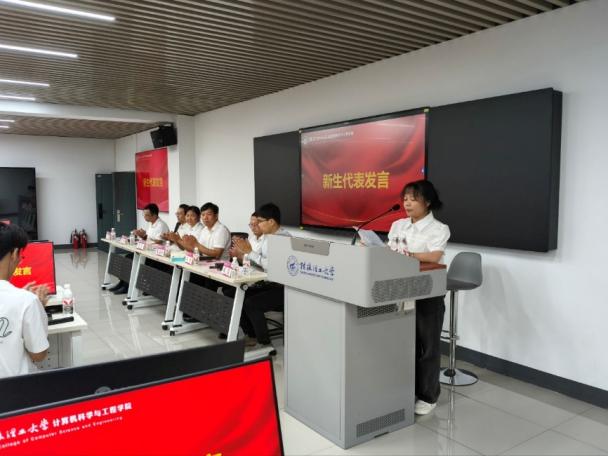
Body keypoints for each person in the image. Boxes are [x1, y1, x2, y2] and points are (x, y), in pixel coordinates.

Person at [387, 180, 450, 416]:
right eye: (405, 199)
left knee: (428, 346)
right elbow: (389, 251)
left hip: (428, 290)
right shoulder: (398, 225)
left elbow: (433, 256)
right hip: (401, 289)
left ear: (428, 202)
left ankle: (428, 395)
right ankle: (409, 388)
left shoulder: (439, 229)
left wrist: (406, 254)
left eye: (413, 199)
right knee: (407, 343)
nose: (407, 203)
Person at [232, 203, 291, 347]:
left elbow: (271, 266)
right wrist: (244, 253)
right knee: (235, 294)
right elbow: (258, 261)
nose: (257, 225)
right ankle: (251, 334)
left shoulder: (283, 238)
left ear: (271, 222)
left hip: (283, 288)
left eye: (259, 221)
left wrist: (249, 252)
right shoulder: (266, 237)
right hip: (267, 282)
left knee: (251, 304)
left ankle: (264, 343)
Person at [0, 224, 50, 378]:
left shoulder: (24, 299)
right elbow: (39, 354)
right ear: (14, 253)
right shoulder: (27, 301)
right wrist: (37, 307)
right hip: (17, 388)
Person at [111, 203, 170, 294]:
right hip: (147, 252)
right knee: (127, 257)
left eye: (147, 215)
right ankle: (122, 283)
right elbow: (148, 238)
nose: (144, 217)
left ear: (154, 215)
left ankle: (127, 286)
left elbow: (159, 242)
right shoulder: (151, 224)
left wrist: (145, 237)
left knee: (131, 260)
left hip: (155, 256)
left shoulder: (161, 225)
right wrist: (142, 235)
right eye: (144, 214)